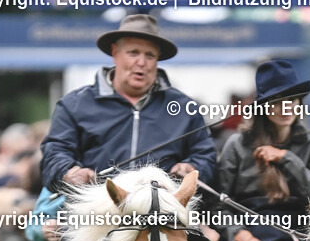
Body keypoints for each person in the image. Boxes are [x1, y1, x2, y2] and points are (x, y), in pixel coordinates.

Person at [40, 14, 217, 191]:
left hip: (162, 204)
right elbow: (54, 153)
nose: (141, 62)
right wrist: (70, 172)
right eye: (133, 53)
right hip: (93, 203)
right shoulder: (73, 104)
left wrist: (192, 168)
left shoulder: (184, 108)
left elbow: (206, 157)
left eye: (150, 55)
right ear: (115, 52)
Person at [211, 60, 310, 241]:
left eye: (291, 100)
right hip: (246, 238)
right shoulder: (237, 145)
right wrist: (239, 235)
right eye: (276, 102)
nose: (285, 108)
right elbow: (217, 204)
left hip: (296, 237)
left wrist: (287, 160)